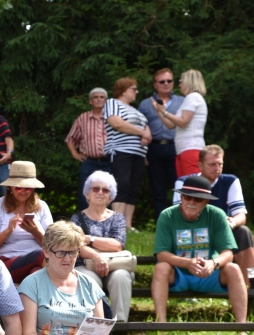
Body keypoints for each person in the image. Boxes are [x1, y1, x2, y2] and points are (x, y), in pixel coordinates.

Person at [152, 175, 247, 323]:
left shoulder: (217, 215)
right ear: (181, 197)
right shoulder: (167, 215)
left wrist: (213, 263)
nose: (191, 202)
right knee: (161, 268)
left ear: (206, 201)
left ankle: (242, 328)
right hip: (179, 275)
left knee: (233, 269)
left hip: (210, 274)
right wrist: (188, 263)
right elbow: (161, 254)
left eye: (198, 199)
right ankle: (161, 325)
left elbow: (228, 253)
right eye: (187, 197)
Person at [173, 145, 254, 284]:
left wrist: (232, 223)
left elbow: (241, 215)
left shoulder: (230, 181)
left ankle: (251, 281)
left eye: (220, 164)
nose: (217, 168)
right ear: (200, 165)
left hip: (221, 232)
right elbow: (178, 215)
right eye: (212, 164)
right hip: (191, 231)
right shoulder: (184, 183)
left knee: (243, 232)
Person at [70, 171, 133, 322]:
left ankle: (120, 324)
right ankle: (95, 325)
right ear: (87, 193)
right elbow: (76, 246)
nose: (100, 192)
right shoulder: (76, 218)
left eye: (105, 190)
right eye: (95, 188)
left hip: (114, 265)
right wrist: (96, 256)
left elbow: (117, 245)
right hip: (85, 265)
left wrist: (89, 239)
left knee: (121, 277)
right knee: (87, 279)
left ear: (110, 196)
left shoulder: (117, 218)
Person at [0, 161, 52, 285]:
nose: (23, 192)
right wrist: (8, 231)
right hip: (7, 262)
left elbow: (52, 246)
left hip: (36, 263)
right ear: (10, 188)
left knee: (36, 272)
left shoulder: (42, 206)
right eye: (18, 188)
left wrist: (36, 232)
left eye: (28, 188)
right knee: (40, 255)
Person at [103, 78, 152, 231]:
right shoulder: (112, 103)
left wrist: (146, 134)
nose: (137, 92)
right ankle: (117, 225)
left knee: (133, 187)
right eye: (134, 89)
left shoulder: (136, 111)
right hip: (120, 151)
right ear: (124, 90)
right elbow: (116, 123)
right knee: (122, 184)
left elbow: (146, 128)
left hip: (139, 154)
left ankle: (128, 225)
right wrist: (142, 132)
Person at [138, 68, 184, 219]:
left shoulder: (182, 101)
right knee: (157, 187)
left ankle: (178, 220)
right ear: (155, 85)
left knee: (178, 185)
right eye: (162, 81)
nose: (166, 84)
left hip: (175, 146)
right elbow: (139, 127)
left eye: (169, 81)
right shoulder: (145, 104)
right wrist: (143, 152)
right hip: (154, 148)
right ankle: (161, 222)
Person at [153, 69, 208, 178]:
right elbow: (171, 125)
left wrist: (164, 111)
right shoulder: (192, 98)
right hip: (184, 149)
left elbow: (183, 122)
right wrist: (159, 111)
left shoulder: (192, 97)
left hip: (191, 148)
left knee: (192, 186)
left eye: (181, 81)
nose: (179, 85)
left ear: (188, 82)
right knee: (185, 186)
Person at [65, 88, 112, 211]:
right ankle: (84, 222)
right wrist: (75, 153)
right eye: (95, 97)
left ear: (106, 101)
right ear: (90, 101)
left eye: (102, 97)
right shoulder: (83, 118)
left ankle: (106, 220)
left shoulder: (112, 118)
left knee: (109, 190)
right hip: (89, 161)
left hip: (109, 161)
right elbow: (70, 139)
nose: (99, 99)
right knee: (86, 191)